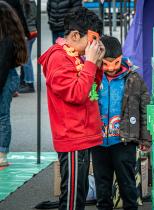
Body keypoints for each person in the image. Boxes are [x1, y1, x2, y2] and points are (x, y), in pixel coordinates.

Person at [38, 7, 104, 210]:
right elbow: (76, 94)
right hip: (73, 137)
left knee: (79, 193)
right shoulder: (58, 58)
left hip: (81, 134)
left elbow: (91, 89)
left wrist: (97, 65)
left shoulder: (75, 56)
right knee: (72, 199)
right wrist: (91, 63)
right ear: (75, 35)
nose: (94, 44)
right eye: (92, 39)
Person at [91, 35, 151, 210]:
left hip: (124, 141)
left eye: (115, 63)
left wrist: (145, 138)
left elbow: (144, 108)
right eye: (106, 63)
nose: (111, 68)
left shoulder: (133, 78)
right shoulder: (91, 75)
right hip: (98, 141)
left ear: (121, 58)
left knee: (127, 184)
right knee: (102, 187)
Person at [0, 0, 28, 166]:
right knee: (3, 116)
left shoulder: (6, 40)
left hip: (5, 77)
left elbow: (2, 67)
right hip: (8, 75)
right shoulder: (11, 36)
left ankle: (2, 153)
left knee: (2, 116)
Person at [19, 0, 37, 93]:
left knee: (25, 58)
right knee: (25, 58)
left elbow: (22, 19)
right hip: (32, 31)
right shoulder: (32, 2)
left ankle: (29, 83)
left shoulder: (24, 3)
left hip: (27, 32)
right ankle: (23, 81)